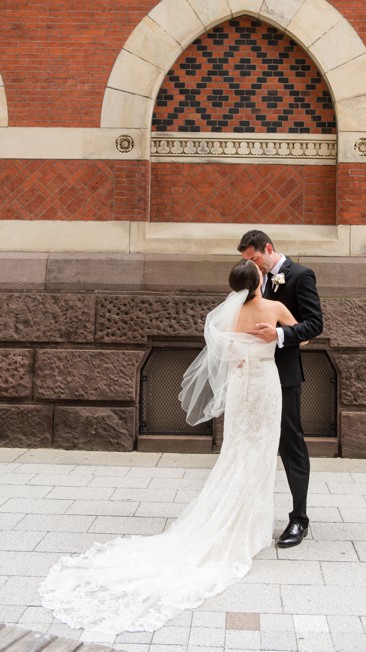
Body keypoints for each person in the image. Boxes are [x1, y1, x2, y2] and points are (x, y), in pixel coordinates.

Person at [40, 260, 298, 634]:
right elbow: (301, 335)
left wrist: (244, 349)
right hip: (265, 388)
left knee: (237, 452)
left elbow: (225, 356)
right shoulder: (273, 309)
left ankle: (243, 524)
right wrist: (273, 337)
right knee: (259, 454)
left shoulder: (225, 316)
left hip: (243, 388)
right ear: (259, 280)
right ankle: (251, 530)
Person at [237, 230, 323, 548]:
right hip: (254, 378)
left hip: (284, 376)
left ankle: (298, 520)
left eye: (255, 259)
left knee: (291, 445)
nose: (253, 266)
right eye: (247, 261)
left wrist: (279, 334)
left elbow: (315, 323)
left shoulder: (300, 275)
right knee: (248, 443)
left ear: (268, 249)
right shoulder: (252, 280)